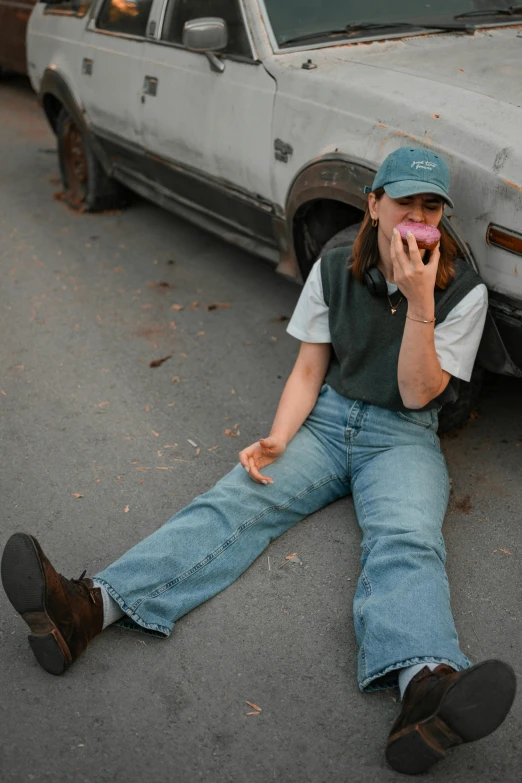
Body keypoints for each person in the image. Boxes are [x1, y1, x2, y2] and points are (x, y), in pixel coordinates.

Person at [1, 147, 516, 775]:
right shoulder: (334, 264)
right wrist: (277, 436)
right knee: (236, 499)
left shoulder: (462, 291)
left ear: (441, 218)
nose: (417, 215)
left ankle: (424, 687)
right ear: (374, 205)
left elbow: (416, 393)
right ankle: (89, 609)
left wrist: (418, 300)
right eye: (404, 200)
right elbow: (309, 366)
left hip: (403, 434)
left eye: (430, 206)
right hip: (328, 420)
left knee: (406, 540)